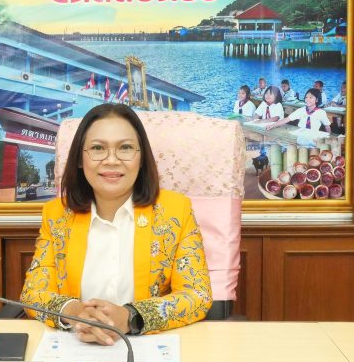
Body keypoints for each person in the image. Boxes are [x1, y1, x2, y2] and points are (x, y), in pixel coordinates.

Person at [20, 104, 212, 342]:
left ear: (141, 158)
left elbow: (197, 295)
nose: (111, 160)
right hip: (75, 345)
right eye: (98, 148)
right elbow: (33, 293)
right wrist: (75, 313)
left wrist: (130, 317)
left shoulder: (175, 211)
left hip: (148, 347)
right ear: (80, 159)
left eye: (125, 148)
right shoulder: (57, 215)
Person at [259, 88, 331, 133]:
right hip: (300, 134)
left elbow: (327, 126)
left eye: (310, 97)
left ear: (317, 100)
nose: (307, 99)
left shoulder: (321, 112)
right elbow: (287, 119)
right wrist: (273, 125)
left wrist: (329, 137)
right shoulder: (301, 110)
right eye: (306, 97)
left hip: (313, 136)